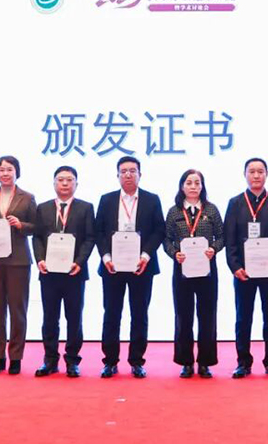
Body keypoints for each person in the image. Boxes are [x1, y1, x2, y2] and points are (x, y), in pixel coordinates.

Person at [95, 156, 165, 379]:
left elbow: (159, 230)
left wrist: (145, 256)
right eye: (123, 171)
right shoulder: (107, 200)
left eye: (132, 171)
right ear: (117, 175)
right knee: (111, 313)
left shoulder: (152, 200)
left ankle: (136, 361)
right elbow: (98, 231)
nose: (128, 174)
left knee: (139, 314)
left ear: (140, 175)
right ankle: (110, 361)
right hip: (112, 267)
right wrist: (106, 257)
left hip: (141, 267)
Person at [224, 158, 268, 379]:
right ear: (245, 174)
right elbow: (230, 239)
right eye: (251, 171)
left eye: (260, 171)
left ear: (266, 174)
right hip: (244, 272)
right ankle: (243, 362)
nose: (256, 175)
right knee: (243, 318)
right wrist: (235, 266)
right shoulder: (235, 203)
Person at [31, 166, 96, 378]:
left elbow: (90, 238)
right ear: (54, 183)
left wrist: (79, 262)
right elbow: (37, 237)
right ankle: (50, 360)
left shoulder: (86, 208)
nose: (65, 183)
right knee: (50, 318)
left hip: (74, 273)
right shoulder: (43, 208)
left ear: (76, 184)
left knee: (74, 318)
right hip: (49, 273)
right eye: (61, 180)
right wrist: (40, 259)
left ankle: (72, 360)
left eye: (70, 180)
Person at [163, 169, 224, 379]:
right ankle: (186, 362)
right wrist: (174, 253)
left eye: (197, 183)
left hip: (207, 271)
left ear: (202, 186)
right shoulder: (174, 211)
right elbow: (166, 239)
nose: (193, 186)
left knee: (207, 316)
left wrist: (214, 249)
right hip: (182, 270)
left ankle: (205, 362)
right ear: (182, 186)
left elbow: (222, 236)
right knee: (183, 316)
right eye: (189, 182)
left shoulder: (211, 209)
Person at [0, 155, 37, 376]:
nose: (5, 173)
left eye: (9, 169)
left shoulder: (27, 197)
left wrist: (21, 225)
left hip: (18, 261)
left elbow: (37, 227)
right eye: (1, 169)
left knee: (17, 310)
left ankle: (15, 357)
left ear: (17, 172)